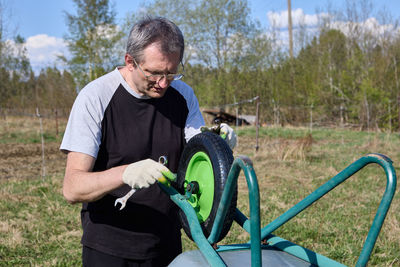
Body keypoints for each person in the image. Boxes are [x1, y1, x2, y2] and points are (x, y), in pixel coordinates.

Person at [60, 17, 236, 266]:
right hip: (110, 247)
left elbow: (199, 155)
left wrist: (216, 143)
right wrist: (125, 173)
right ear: (130, 61)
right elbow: (72, 187)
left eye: (171, 72)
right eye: (154, 73)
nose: (163, 83)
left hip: (167, 243)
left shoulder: (183, 96)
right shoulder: (95, 97)